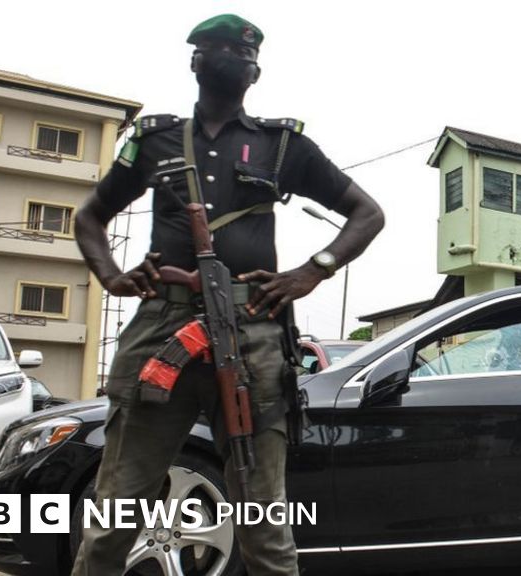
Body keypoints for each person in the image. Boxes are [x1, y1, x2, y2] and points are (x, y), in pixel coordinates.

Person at [71, 14, 384, 576]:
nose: (240, 61)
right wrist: (113, 277)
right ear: (196, 61)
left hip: (252, 334)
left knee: (264, 522)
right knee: (116, 512)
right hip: (161, 329)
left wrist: (311, 272)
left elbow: (367, 213)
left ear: (257, 73)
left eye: (248, 55)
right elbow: (90, 216)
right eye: (224, 50)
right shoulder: (154, 140)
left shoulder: (282, 146)